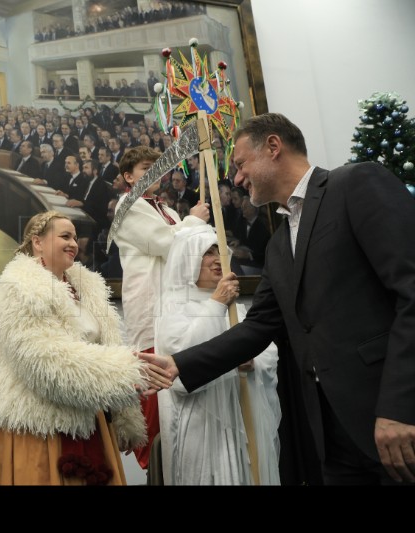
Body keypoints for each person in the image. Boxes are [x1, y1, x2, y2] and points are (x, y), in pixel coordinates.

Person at [144, 112, 415, 485]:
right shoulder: (277, 245)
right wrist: (179, 364)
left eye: (240, 164)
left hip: (392, 416)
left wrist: (401, 406)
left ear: (273, 146)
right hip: (331, 434)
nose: (237, 178)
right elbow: (260, 326)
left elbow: (411, 294)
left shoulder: (355, 184)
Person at [0, 211, 151, 485]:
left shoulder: (85, 286)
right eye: (65, 236)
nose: (74, 243)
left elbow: (104, 346)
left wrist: (124, 414)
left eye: (75, 237)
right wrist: (124, 372)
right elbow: (45, 363)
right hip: (41, 426)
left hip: (90, 418)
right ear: (38, 242)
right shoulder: (20, 289)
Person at [110, 146, 210, 479]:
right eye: (145, 169)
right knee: (155, 391)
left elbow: (186, 252)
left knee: (175, 394)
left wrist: (191, 227)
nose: (155, 174)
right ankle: (156, 466)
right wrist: (194, 222)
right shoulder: (128, 205)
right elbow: (167, 244)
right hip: (150, 306)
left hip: (174, 305)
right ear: (129, 177)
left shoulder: (166, 209)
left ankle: (176, 465)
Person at [155, 225, 281, 485]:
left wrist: (253, 359)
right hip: (204, 424)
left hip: (245, 414)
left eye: (220, 251)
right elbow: (181, 365)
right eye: (207, 253)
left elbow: (268, 350)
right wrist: (216, 304)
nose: (217, 259)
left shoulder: (238, 307)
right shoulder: (175, 307)